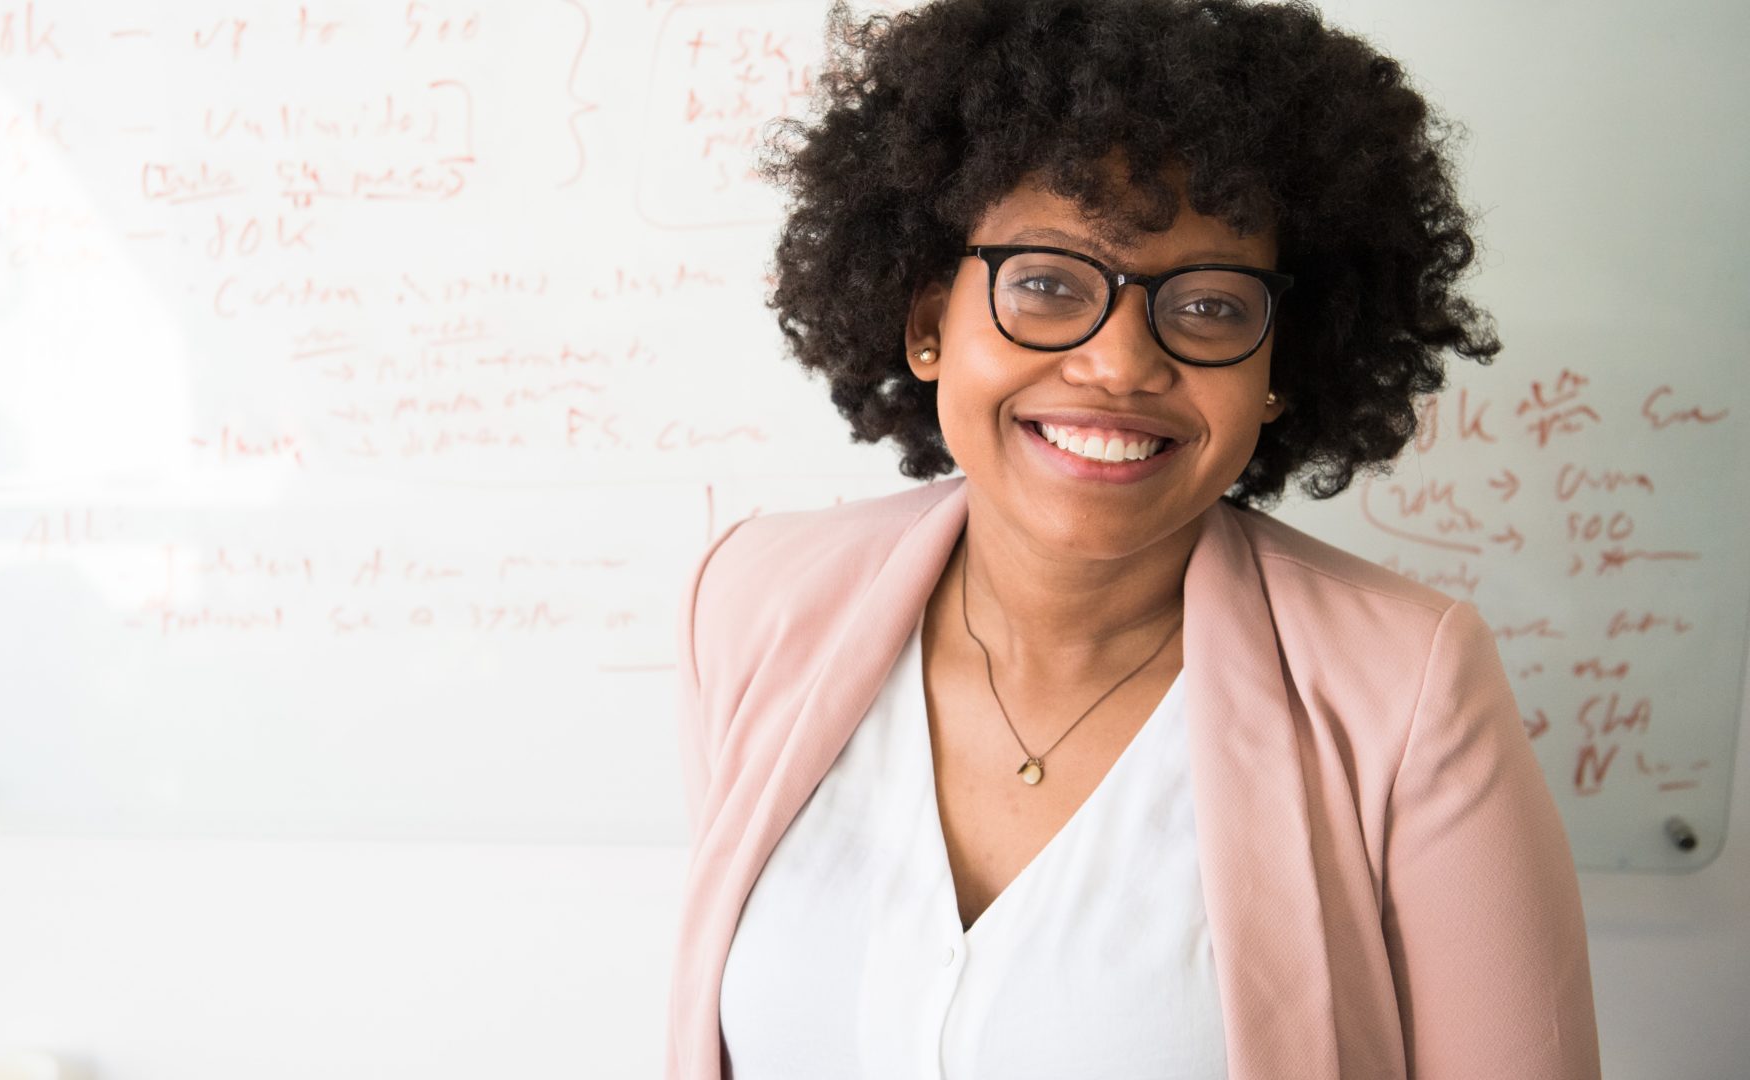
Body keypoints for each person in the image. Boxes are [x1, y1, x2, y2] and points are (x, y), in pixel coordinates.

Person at [666, 0, 1601, 1077]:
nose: (1118, 365)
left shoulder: (1408, 689)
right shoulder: (750, 602)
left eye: (1207, 306)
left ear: (1280, 367)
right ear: (928, 323)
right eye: (1049, 284)